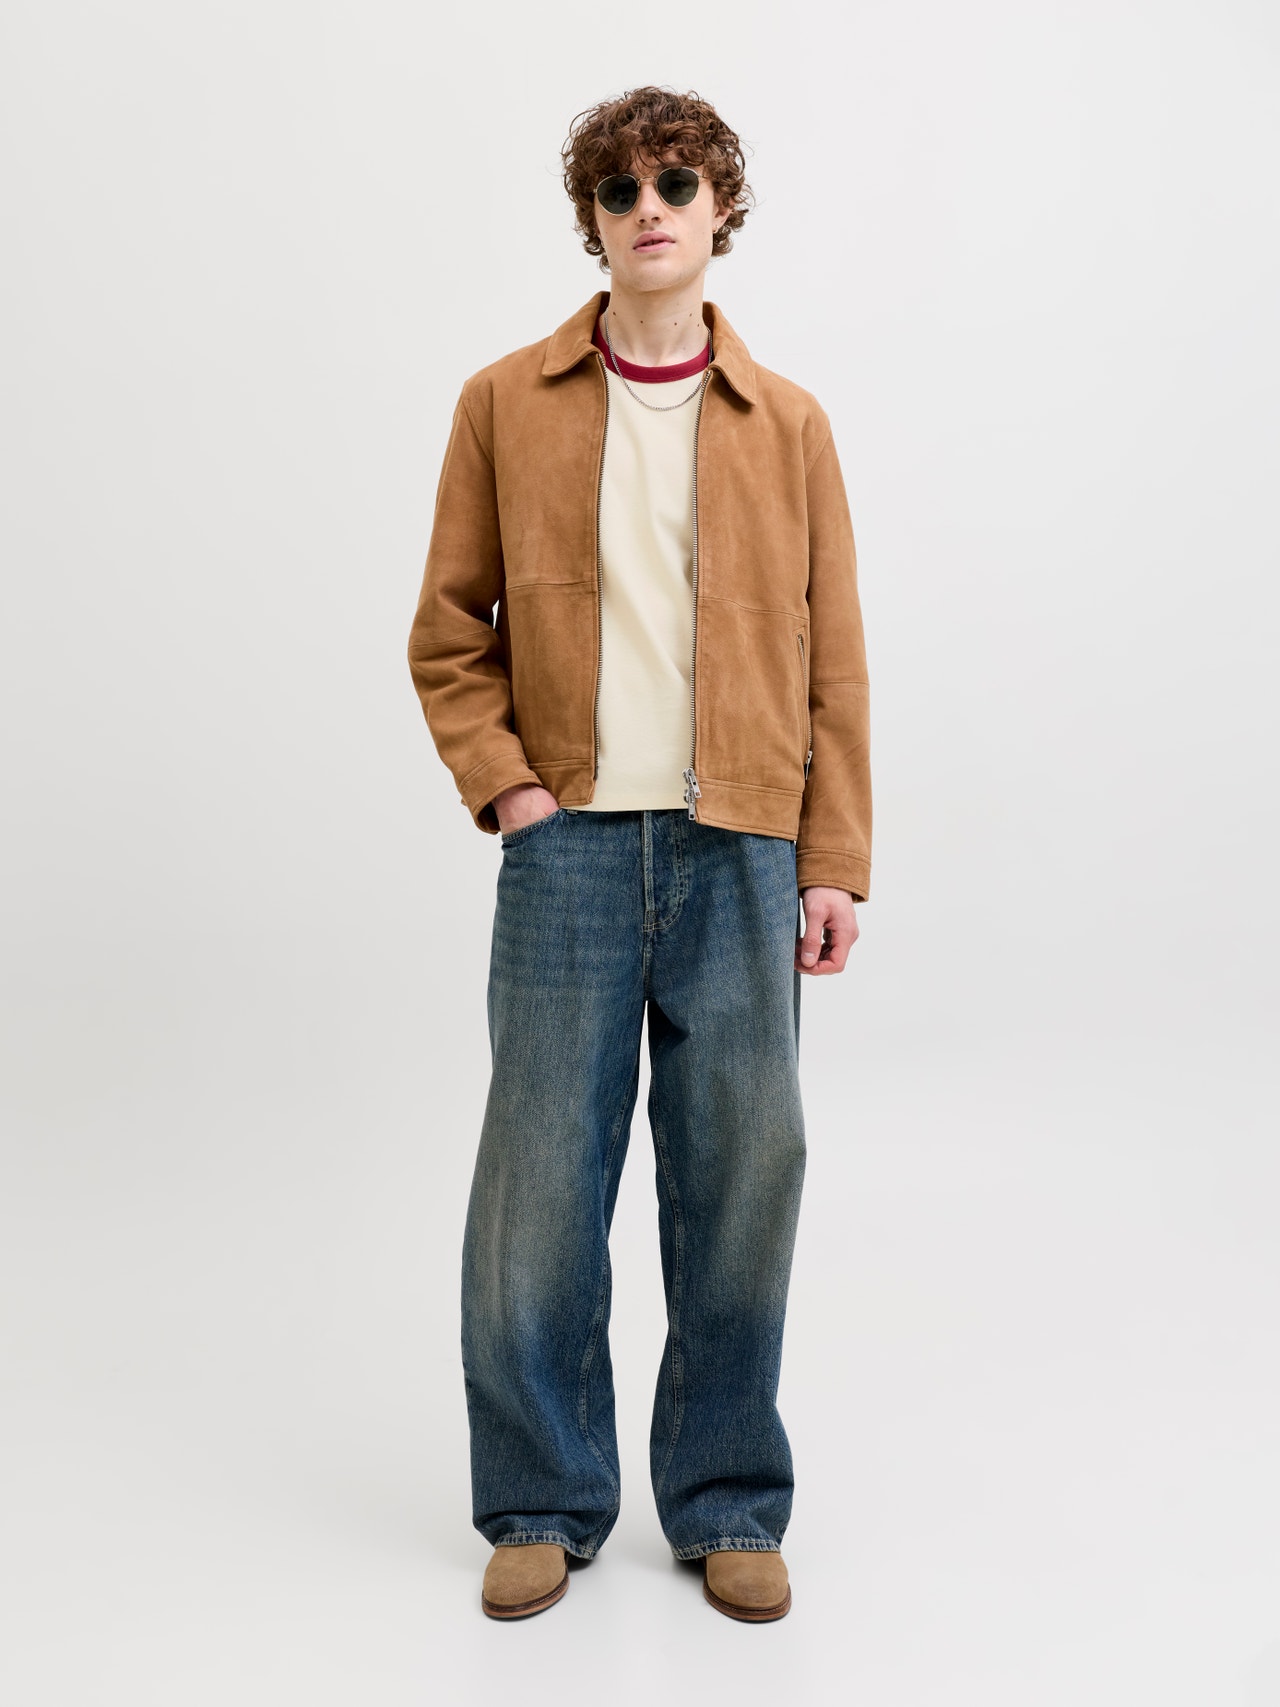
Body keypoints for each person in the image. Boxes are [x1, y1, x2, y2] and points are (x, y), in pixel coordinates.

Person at [406, 85, 872, 1623]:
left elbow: (835, 664)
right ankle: (542, 1497)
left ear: (720, 209)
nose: (650, 208)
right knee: (540, 1183)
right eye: (621, 191)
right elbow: (448, 635)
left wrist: (832, 859)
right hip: (571, 853)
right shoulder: (505, 403)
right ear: (593, 222)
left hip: (744, 844)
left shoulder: (789, 425)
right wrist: (511, 795)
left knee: (745, 1172)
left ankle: (729, 1497)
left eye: (678, 182)